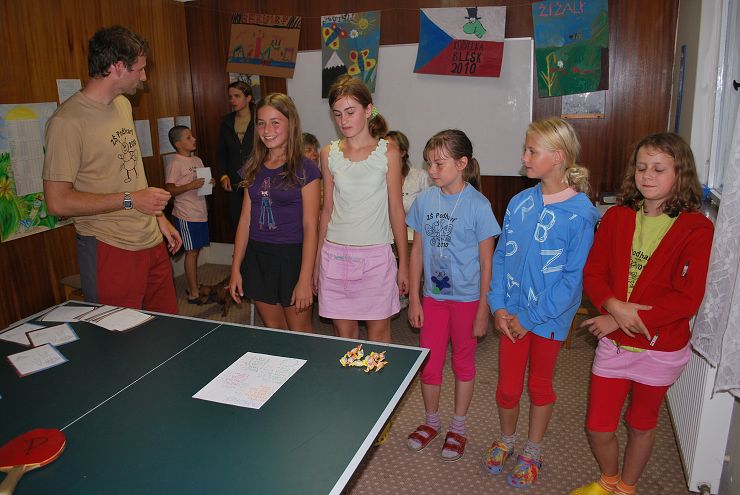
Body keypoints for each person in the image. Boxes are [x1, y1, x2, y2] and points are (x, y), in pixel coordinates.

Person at [569, 133, 713, 495]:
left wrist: (616, 319)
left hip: (660, 348)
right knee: (598, 426)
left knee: (640, 423)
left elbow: (686, 300)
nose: (647, 175)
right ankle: (608, 478)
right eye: (641, 167)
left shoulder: (697, 229)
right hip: (615, 346)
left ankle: (626, 487)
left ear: (680, 174)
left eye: (659, 169)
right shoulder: (616, 217)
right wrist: (613, 307)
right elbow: (594, 273)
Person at [485, 117, 600, 487]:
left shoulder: (580, 213)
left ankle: (532, 451)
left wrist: (530, 317)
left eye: (532, 151)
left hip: (548, 319)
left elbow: (572, 279)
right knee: (507, 387)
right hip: (510, 315)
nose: (524, 157)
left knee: (539, 386)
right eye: (526, 149)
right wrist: (498, 305)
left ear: (558, 156)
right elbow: (502, 256)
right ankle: (506, 440)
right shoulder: (519, 202)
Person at [42, 25, 181, 313]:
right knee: (119, 334)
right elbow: (57, 202)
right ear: (118, 67)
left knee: (167, 328)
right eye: (139, 69)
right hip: (109, 245)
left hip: (150, 241)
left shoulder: (122, 106)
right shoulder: (66, 122)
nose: (144, 77)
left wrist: (158, 217)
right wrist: (131, 200)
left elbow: (129, 173)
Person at [405, 129, 500, 461]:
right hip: (433, 297)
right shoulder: (424, 201)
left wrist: (483, 309)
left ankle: (458, 427)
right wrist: (414, 299)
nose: (432, 170)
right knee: (429, 361)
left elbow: (487, 262)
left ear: (462, 164)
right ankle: (431, 421)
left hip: (467, 299)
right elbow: (417, 252)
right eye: (429, 163)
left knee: (463, 361)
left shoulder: (478, 205)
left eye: (439, 164)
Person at [314, 75, 409, 343]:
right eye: (337, 114)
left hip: (375, 257)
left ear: (368, 110)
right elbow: (326, 210)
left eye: (350, 112)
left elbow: (396, 211)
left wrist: (403, 263)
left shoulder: (388, 152)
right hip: (335, 256)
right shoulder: (328, 153)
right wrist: (317, 261)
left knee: (379, 337)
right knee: (345, 338)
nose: (343, 120)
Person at [228, 93, 321, 332]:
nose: (267, 130)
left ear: (291, 124)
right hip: (258, 256)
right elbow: (245, 220)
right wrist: (235, 267)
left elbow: (311, 226)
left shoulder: (305, 169)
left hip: (292, 257)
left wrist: (305, 278)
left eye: (275, 122)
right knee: (273, 328)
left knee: (300, 332)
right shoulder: (253, 166)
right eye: (261, 123)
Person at [164, 125, 214, 303]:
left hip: (200, 211)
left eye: (192, 136)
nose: (194, 139)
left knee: (196, 250)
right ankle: (193, 293)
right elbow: (169, 190)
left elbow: (201, 184)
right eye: (188, 137)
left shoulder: (197, 160)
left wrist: (209, 183)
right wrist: (189, 186)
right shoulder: (175, 163)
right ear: (178, 144)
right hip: (185, 214)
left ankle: (193, 285)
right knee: (191, 252)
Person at [216, 81, 255, 229]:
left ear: (248, 98)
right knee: (237, 221)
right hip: (234, 180)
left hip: (256, 177)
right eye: (230, 97)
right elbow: (221, 152)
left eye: (237, 96)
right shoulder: (226, 121)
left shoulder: (260, 118)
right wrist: (223, 175)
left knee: (257, 219)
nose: (232, 100)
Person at [385, 130, 432, 213]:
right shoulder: (377, 178)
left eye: (389, 148)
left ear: (402, 153)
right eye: (383, 147)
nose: (385, 151)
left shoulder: (420, 177)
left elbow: (430, 209)